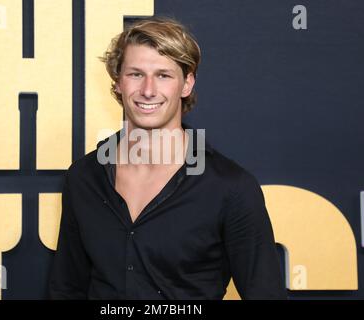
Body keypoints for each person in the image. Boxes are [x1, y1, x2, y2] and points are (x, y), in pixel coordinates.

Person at [49, 17, 286, 300]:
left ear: (186, 84)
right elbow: (66, 289)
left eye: (163, 75)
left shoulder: (230, 187)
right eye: (136, 74)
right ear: (117, 84)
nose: (148, 90)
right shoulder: (84, 177)